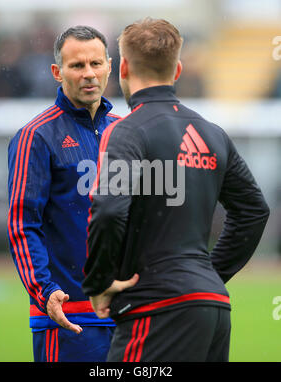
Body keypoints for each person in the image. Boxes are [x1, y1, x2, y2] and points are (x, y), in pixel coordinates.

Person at [82, 18, 270, 362]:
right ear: (178, 69)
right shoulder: (213, 133)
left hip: (157, 310)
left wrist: (99, 282)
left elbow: (108, 210)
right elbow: (254, 212)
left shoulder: (127, 131)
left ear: (122, 66)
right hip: (212, 310)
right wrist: (206, 276)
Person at [7, 25, 121, 362]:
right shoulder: (36, 136)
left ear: (109, 66)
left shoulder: (124, 131)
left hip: (125, 316)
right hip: (69, 317)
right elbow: (22, 225)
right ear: (58, 72)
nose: (89, 74)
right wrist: (45, 291)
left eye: (96, 64)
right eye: (77, 65)